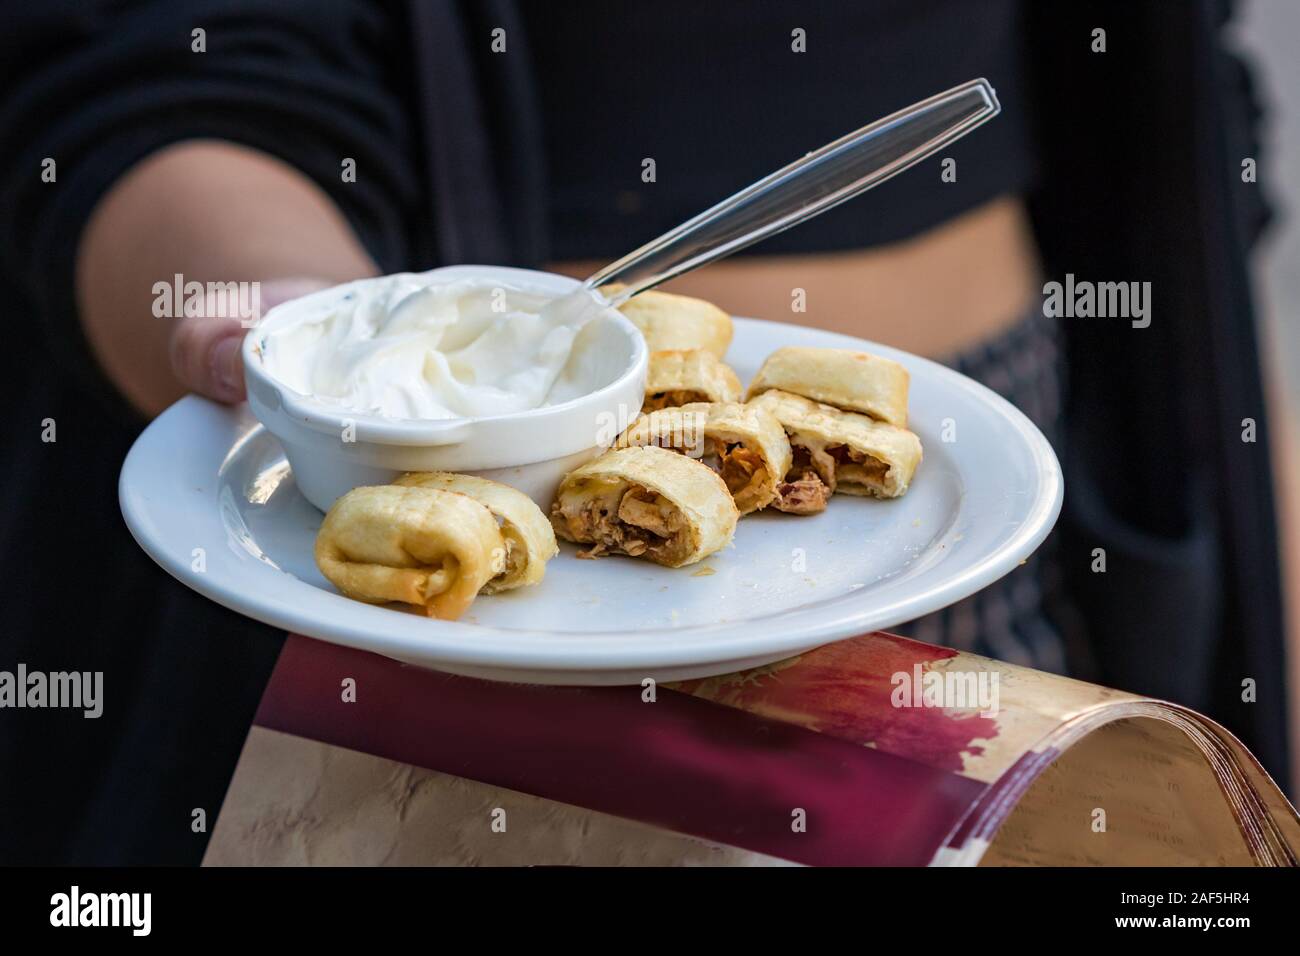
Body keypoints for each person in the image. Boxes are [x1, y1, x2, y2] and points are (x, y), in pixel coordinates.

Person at [0, 1, 1287, 864]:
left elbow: (1174, 105)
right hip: (478, 652)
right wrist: (290, 330)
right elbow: (152, 71)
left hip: (986, 539)